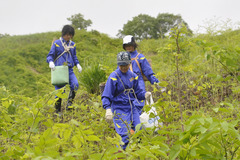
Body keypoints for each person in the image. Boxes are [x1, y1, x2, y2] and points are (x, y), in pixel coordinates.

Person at [102, 51, 152, 150]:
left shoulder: (133, 75)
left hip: (131, 108)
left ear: (130, 63)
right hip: (119, 108)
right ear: (118, 64)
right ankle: (121, 154)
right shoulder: (114, 77)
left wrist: (145, 95)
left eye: (126, 65)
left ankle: (136, 152)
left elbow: (138, 93)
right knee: (124, 134)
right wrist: (108, 109)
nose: (124, 67)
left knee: (139, 129)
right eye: (121, 65)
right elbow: (107, 94)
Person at [122, 35, 163, 114]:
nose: (128, 47)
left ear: (134, 45)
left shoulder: (140, 57)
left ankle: (137, 121)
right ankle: (130, 123)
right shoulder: (123, 58)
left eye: (130, 45)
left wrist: (157, 83)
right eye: (126, 46)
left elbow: (148, 72)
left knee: (138, 103)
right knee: (126, 103)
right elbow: (119, 71)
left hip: (138, 82)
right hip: (126, 83)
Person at [46, 25, 82, 113]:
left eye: (71, 35)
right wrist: (50, 62)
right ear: (63, 34)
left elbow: (74, 56)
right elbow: (50, 55)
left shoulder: (72, 45)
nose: (69, 37)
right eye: (68, 35)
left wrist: (77, 64)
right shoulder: (57, 43)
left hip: (69, 70)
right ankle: (57, 110)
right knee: (60, 90)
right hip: (59, 70)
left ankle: (69, 104)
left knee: (75, 84)